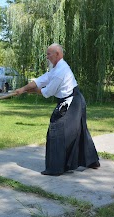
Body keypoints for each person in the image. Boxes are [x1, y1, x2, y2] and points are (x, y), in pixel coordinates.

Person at [15, 43, 100, 176]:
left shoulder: (61, 71)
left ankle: (55, 168)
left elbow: (47, 92)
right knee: (79, 130)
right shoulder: (55, 68)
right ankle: (92, 161)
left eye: (49, 54)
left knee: (57, 131)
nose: (47, 56)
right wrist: (23, 89)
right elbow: (40, 80)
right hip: (71, 100)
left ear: (58, 55)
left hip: (73, 103)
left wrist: (31, 91)